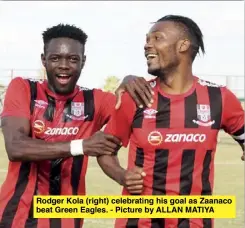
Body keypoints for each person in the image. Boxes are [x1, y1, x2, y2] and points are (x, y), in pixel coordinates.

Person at [97, 15, 245, 228]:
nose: (148, 45)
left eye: (157, 38)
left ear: (183, 45)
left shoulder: (219, 98)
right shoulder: (134, 96)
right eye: (147, 39)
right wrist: (122, 175)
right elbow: (104, 150)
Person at [0, 24, 153, 228]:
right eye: (55, 58)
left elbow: (134, 114)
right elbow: (16, 147)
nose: (64, 65)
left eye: (73, 59)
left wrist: (130, 80)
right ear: (44, 60)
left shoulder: (96, 100)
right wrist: (81, 146)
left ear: (83, 62)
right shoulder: (24, 88)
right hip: (15, 216)